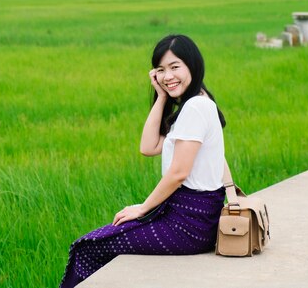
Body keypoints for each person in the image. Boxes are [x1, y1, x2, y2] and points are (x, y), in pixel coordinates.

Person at [59, 34, 227, 288]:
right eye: (160, 70)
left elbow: (178, 173)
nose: (168, 76)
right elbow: (149, 147)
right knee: (97, 243)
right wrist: (161, 97)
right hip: (190, 218)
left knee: (88, 248)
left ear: (193, 65)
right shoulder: (198, 102)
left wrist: (142, 208)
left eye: (174, 67)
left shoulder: (195, 108)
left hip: (187, 225)